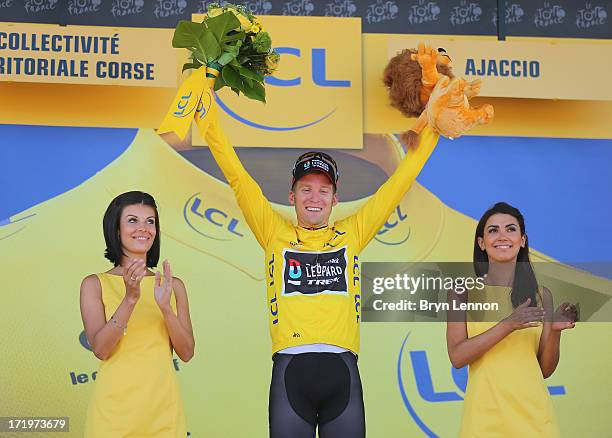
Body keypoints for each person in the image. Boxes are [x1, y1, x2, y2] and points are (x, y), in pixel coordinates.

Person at [203, 114, 439, 437]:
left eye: (324, 191)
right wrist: (208, 121)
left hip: (342, 370)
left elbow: (398, 185)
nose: (315, 198)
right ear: (292, 196)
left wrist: (434, 130)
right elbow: (237, 177)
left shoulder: (353, 232)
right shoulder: (273, 232)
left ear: (334, 199)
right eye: (306, 189)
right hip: (290, 372)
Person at [446, 202, 577, 437]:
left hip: (535, 419)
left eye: (510, 229)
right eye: (493, 230)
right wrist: (508, 324)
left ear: (523, 240)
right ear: (481, 243)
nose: (502, 236)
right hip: (484, 419)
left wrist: (555, 331)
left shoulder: (541, 295)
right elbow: (457, 356)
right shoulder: (461, 291)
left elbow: (544, 369)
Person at [80, 191, 194, 437]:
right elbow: (101, 349)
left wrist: (166, 309)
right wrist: (130, 299)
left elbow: (186, 353)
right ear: (116, 229)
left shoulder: (173, 286)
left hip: (164, 414)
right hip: (113, 416)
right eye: (132, 220)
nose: (144, 228)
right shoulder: (94, 284)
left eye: (150, 221)